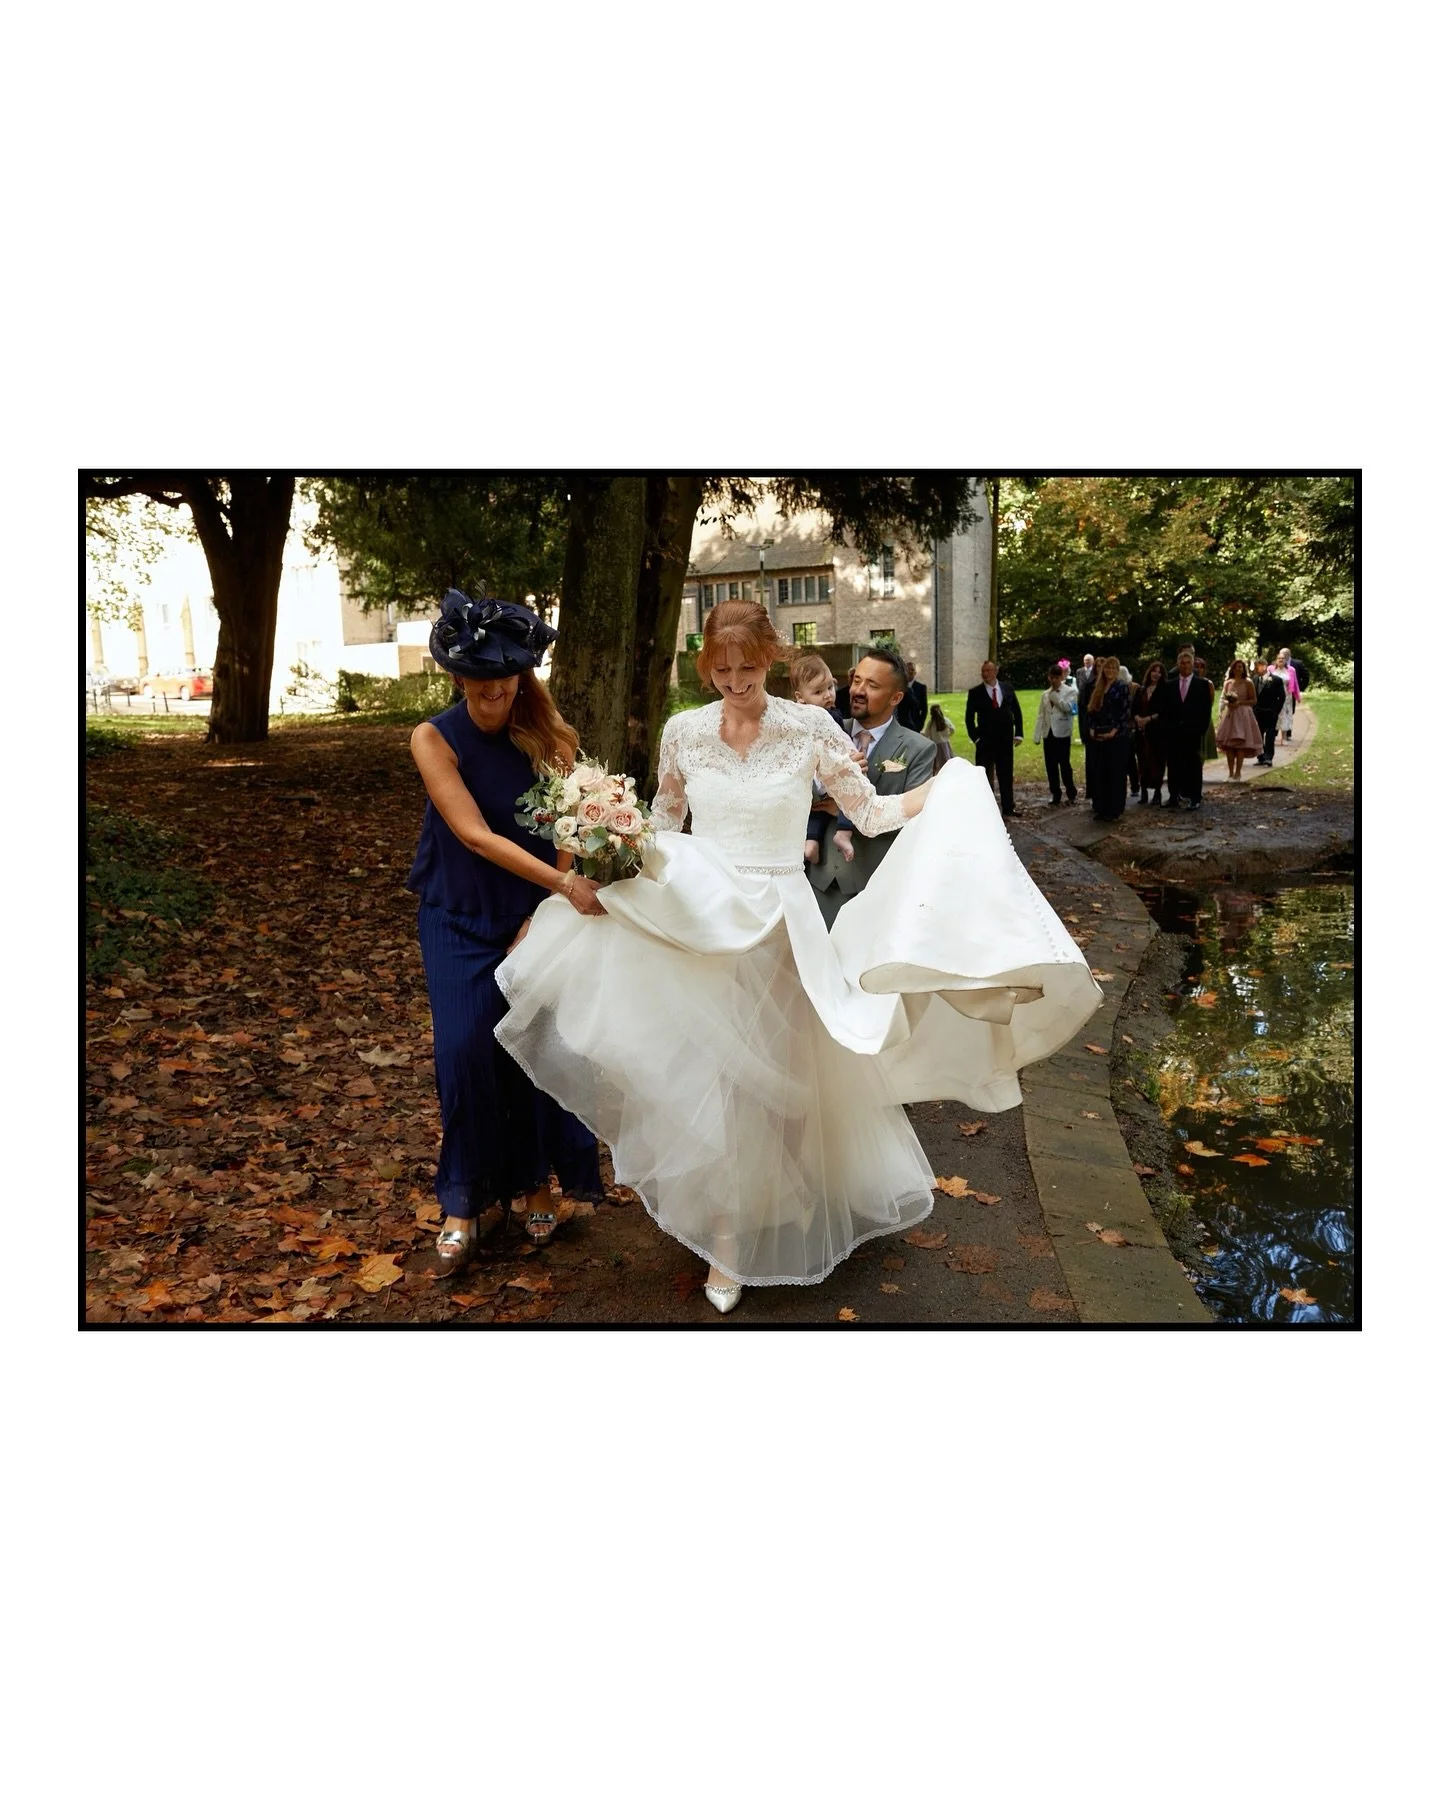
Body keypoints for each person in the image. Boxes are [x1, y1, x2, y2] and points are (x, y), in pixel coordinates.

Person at [494, 600, 1102, 1313]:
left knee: (781, 1079)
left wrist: (949, 785)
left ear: (771, 657)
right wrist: (609, 849)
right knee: (716, 1080)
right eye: (719, 671)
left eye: (746, 668)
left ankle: (786, 1199)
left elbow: (871, 812)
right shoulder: (684, 732)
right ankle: (726, 1239)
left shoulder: (810, 727)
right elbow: (662, 825)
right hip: (704, 915)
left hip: (784, 922)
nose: (732, 682)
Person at [406, 589, 605, 1268]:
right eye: (481, 681)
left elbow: (572, 828)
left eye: (506, 679)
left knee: (535, 1048)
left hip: (531, 916)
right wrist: (562, 888)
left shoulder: (550, 736)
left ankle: (535, 1183)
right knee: (463, 1053)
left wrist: (545, 910)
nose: (494, 694)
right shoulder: (432, 738)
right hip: (458, 916)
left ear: (523, 675)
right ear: (459, 677)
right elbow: (472, 833)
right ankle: (462, 1199)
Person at [808, 645, 936, 927]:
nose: (858, 690)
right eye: (856, 681)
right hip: (818, 881)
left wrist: (844, 808)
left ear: (896, 697)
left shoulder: (918, 749)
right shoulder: (823, 731)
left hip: (876, 887)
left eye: (872, 685)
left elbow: (913, 822)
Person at [790, 653, 856, 868]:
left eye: (829, 687)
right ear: (800, 696)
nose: (828, 695)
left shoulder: (796, 717)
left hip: (812, 777)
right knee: (851, 793)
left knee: (816, 810)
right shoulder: (828, 716)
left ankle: (811, 843)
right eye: (818, 691)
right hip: (828, 771)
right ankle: (844, 833)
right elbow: (840, 743)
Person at [964, 660, 1024, 817]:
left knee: (1005, 774)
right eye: (983, 671)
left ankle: (1008, 807)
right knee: (984, 776)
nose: (985, 674)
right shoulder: (975, 692)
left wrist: (1019, 733)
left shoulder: (1007, 689)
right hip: (985, 741)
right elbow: (969, 718)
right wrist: (976, 738)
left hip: (1005, 740)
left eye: (988, 671)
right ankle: (986, 809)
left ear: (996, 671)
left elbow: (1017, 712)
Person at [1159, 646, 1212, 810]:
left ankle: (1195, 797)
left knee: (1193, 766)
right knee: (1173, 765)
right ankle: (1173, 796)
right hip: (1173, 732)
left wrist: (1200, 730)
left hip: (1193, 732)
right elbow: (1164, 710)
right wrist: (1167, 729)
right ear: (1178, 664)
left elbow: (1205, 710)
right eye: (1182, 663)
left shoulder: (1202, 685)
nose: (1185, 665)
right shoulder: (1169, 685)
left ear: (1193, 665)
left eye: (1188, 663)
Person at [1086, 656, 1132, 821]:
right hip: (1099, 735)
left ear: (1117, 670)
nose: (1109, 671)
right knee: (1100, 773)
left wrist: (1115, 730)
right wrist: (1091, 728)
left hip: (1116, 737)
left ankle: (1114, 809)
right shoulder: (1098, 687)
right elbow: (1091, 709)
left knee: (1115, 774)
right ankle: (1100, 807)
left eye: (1113, 668)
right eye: (1107, 668)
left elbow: (1125, 712)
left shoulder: (1122, 687)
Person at [1033, 662, 1078, 805]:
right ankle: (1055, 793)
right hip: (1049, 733)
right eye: (1051, 678)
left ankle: (1071, 792)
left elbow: (1070, 709)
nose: (1053, 681)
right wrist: (1037, 734)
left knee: (1064, 764)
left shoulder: (1071, 691)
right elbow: (1041, 714)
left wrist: (1056, 698)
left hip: (1062, 733)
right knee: (1050, 765)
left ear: (1061, 677)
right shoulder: (1045, 694)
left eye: (1056, 678)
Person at [1216, 658, 1263, 778]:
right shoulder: (1228, 683)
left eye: (1241, 667)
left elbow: (1253, 700)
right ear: (1232, 669)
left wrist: (1240, 702)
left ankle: (1238, 772)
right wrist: (1228, 703)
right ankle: (1230, 772)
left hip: (1243, 714)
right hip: (1230, 714)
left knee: (1241, 745)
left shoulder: (1248, 682)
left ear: (1243, 669)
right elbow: (1224, 698)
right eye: (1236, 666)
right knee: (1230, 746)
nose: (1238, 668)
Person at [1130, 660, 1168, 803]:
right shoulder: (1141, 689)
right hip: (1141, 732)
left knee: (1157, 761)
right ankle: (1143, 791)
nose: (1156, 674)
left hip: (1157, 731)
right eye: (1154, 671)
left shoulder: (1164, 690)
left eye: (1159, 672)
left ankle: (1157, 792)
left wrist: (1149, 719)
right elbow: (1133, 708)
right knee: (1142, 761)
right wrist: (1138, 718)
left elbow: (1164, 710)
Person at [1251, 657, 1286, 765]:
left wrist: (1276, 710)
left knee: (1270, 735)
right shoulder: (1255, 679)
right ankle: (1260, 757)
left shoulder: (1276, 680)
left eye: (1259, 667)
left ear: (1265, 666)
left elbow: (1282, 697)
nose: (1257, 669)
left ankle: (1269, 757)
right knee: (1258, 734)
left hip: (1271, 712)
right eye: (1256, 667)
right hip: (1258, 711)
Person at [1193, 656, 1219, 763]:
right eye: (1196, 666)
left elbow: (1211, 702)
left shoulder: (1208, 683)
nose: (1198, 669)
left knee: (1201, 750)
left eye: (1201, 667)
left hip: (1203, 717)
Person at [1274, 648, 1301, 741]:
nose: (1281, 660)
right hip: (1274, 696)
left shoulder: (1291, 670)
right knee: (1275, 715)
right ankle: (1272, 736)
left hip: (1286, 696)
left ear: (1286, 660)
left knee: (1285, 716)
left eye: (1283, 658)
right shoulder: (1271, 669)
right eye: (1279, 658)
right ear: (1276, 660)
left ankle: (1284, 737)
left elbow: (1296, 684)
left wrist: (1297, 696)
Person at [897, 658, 929, 732]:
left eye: (912, 669)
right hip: (900, 724)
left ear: (915, 672)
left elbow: (924, 708)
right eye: (907, 669)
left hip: (915, 725)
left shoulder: (921, 687)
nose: (910, 671)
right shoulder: (899, 687)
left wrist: (920, 725)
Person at [922, 701, 956, 768]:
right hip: (945, 744)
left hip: (935, 745)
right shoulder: (945, 720)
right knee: (946, 761)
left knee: (937, 763)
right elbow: (952, 729)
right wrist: (948, 735)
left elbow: (926, 733)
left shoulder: (931, 723)